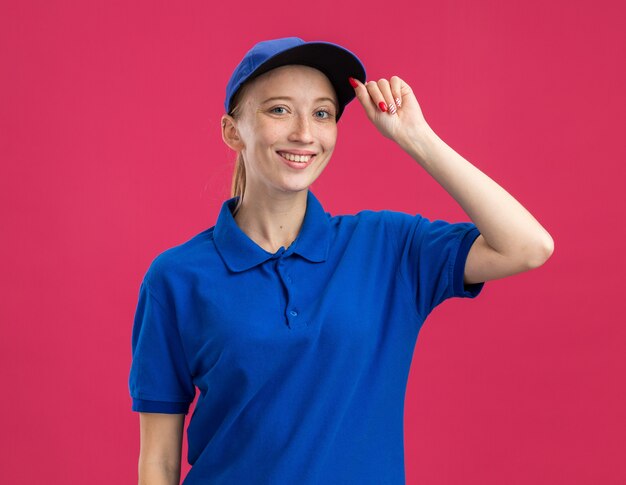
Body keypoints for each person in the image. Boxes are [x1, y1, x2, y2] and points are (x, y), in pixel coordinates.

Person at [129, 37, 554, 484]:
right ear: (232, 131)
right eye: (278, 110)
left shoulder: (388, 248)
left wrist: (417, 139)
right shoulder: (176, 278)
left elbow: (528, 246)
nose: (304, 134)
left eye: (322, 113)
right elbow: (159, 461)